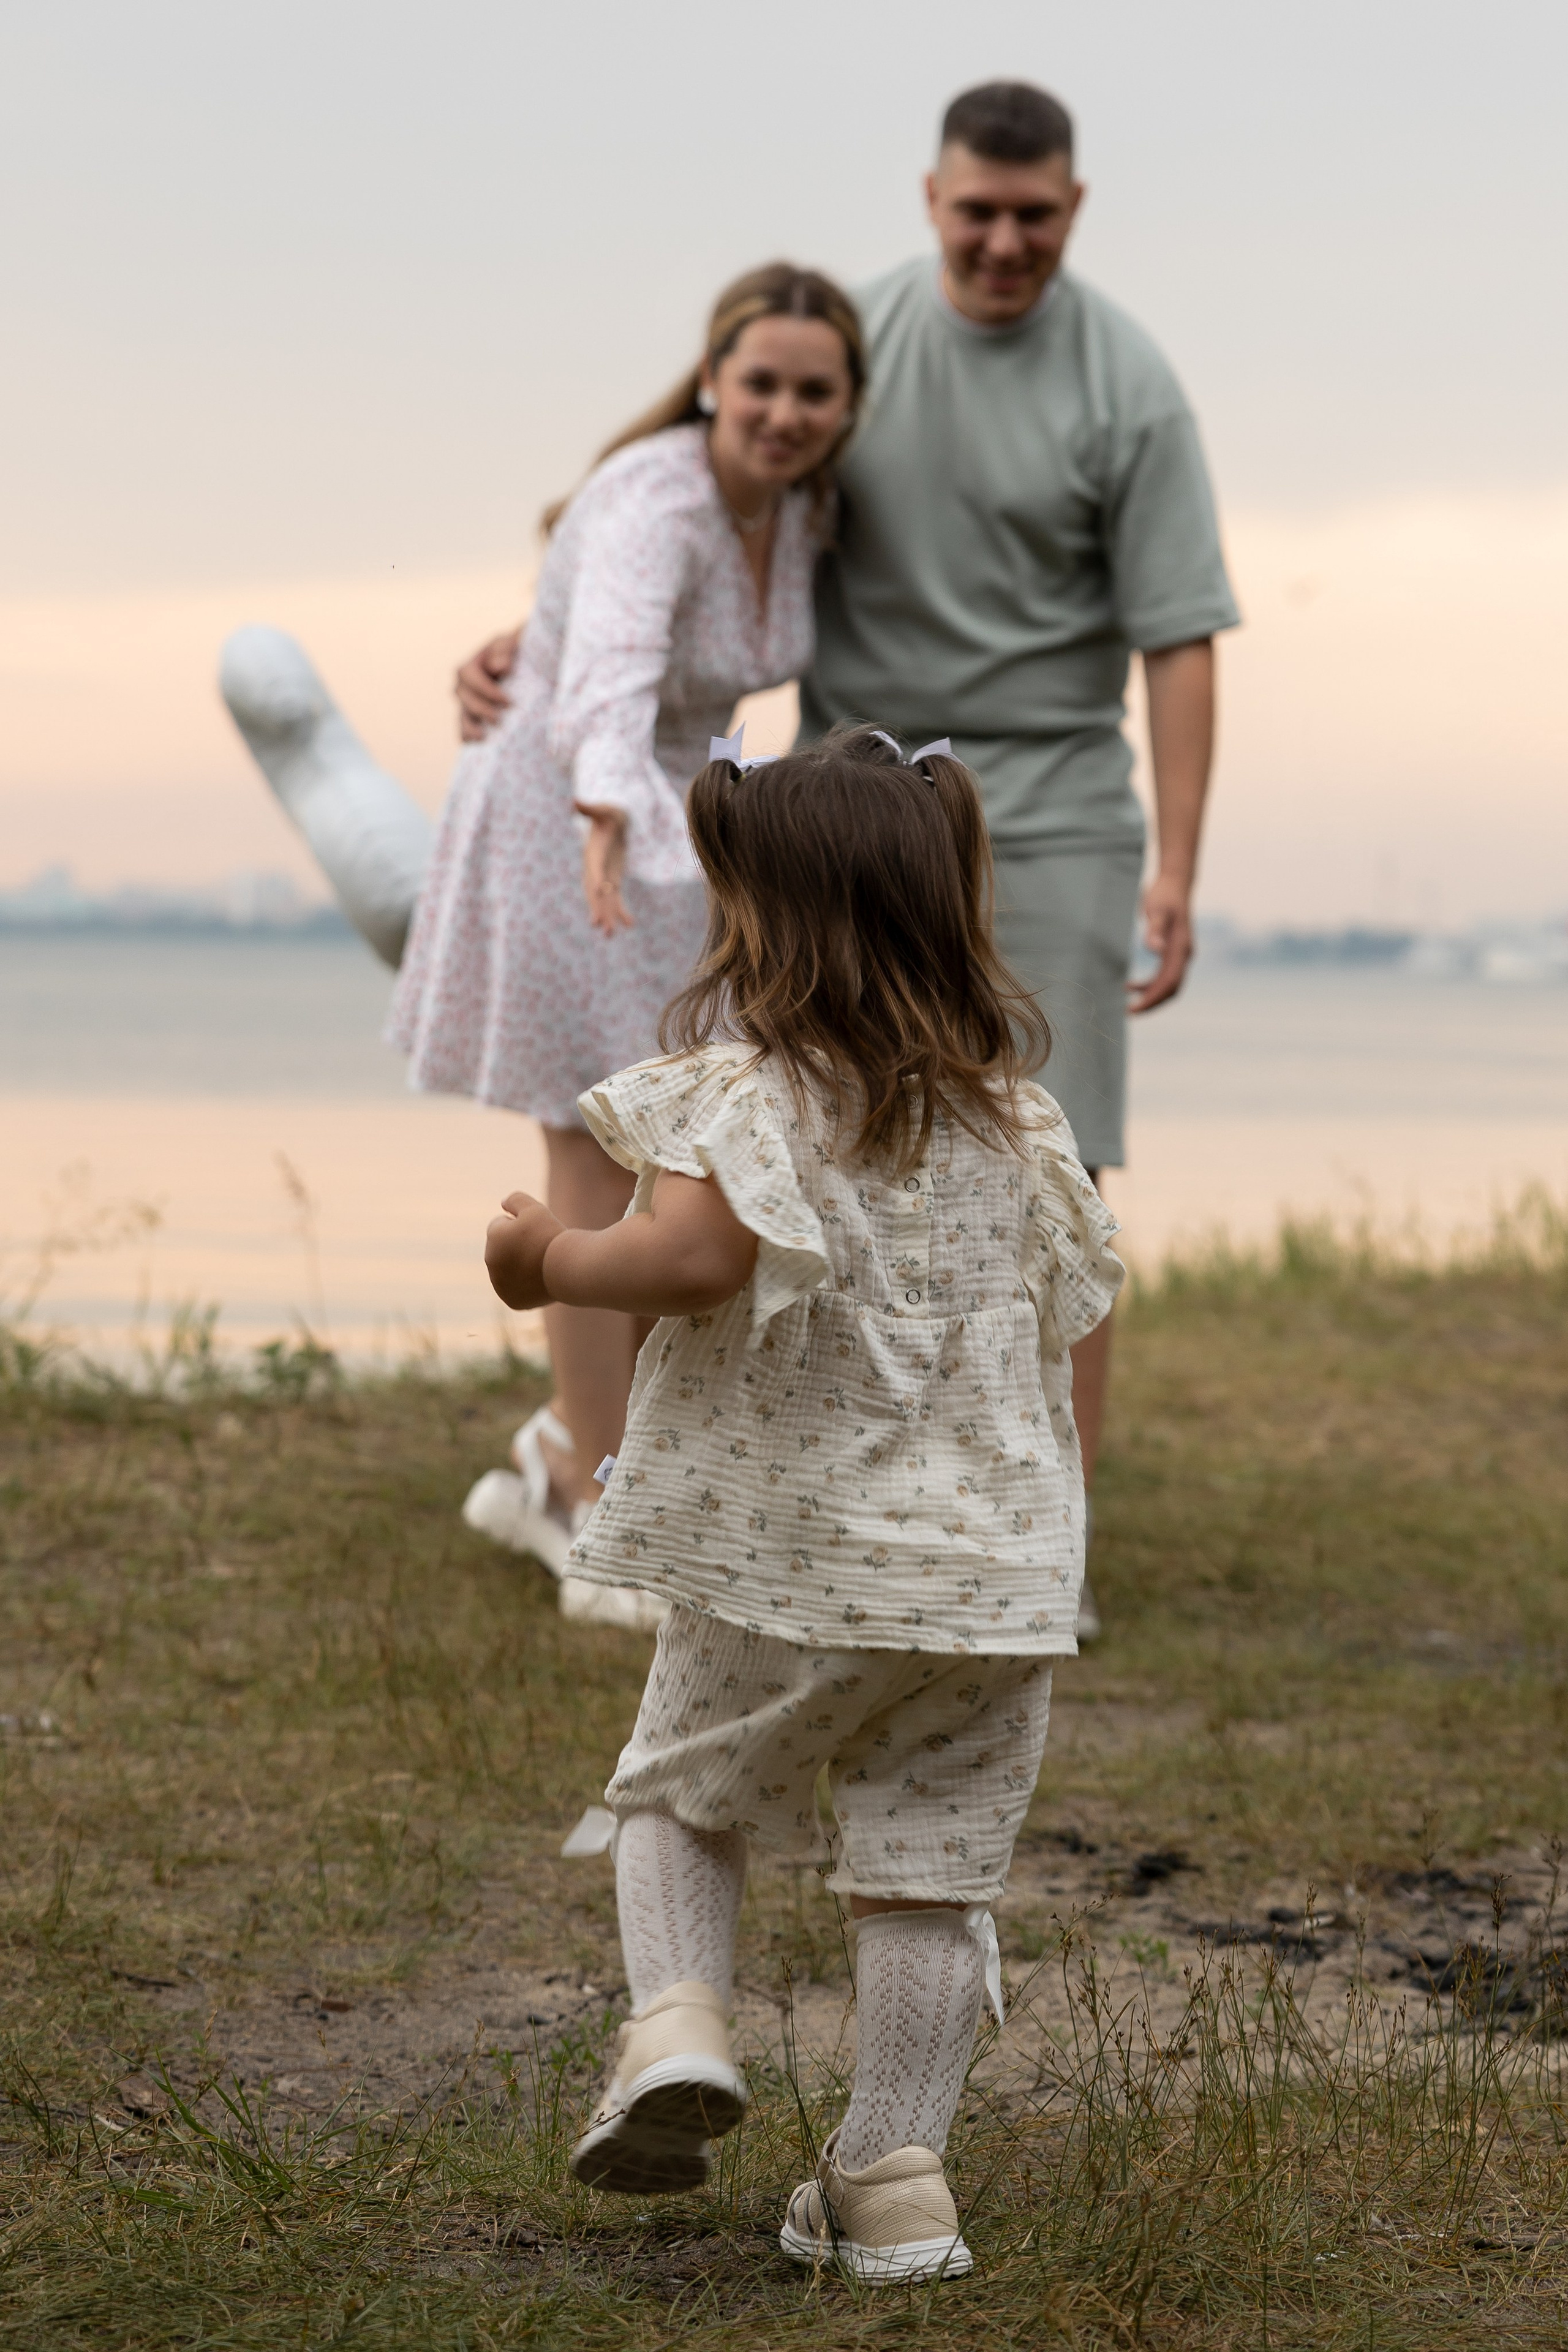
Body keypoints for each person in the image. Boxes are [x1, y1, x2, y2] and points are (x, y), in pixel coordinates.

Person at [461, 83, 1237, 1639]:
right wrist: (527, 650)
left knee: (1054, 1155)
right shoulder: (846, 349)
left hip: (1062, 801)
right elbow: (682, 503)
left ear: (1072, 209)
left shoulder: (1127, 381)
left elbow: (1179, 638)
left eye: (1033, 213)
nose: (1002, 239)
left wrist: (1175, 866)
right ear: (932, 198)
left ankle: (1044, 1537)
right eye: (976, 210)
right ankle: (775, 1489)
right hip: (851, 801)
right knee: (808, 1140)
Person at [483, 726, 1123, 2280]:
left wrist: (545, 1262)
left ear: (764, 923)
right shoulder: (1020, 1121)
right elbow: (1084, 1305)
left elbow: (689, 1261)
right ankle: (891, 2182)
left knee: (679, 1792)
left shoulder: (747, 1097)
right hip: (991, 1587)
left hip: (785, 1567)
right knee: (926, 1871)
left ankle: (677, 2030)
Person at [379, 263, 865, 1595]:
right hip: (566, 820)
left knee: (674, 1158)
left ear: (844, 406)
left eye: (810, 390)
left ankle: (560, 1448)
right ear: (712, 378)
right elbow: (601, 685)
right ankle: (595, 1520)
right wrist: (607, 805)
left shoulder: (803, 508)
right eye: (757, 382)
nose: (779, 410)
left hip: (671, 827)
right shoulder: (656, 497)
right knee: (598, 1155)